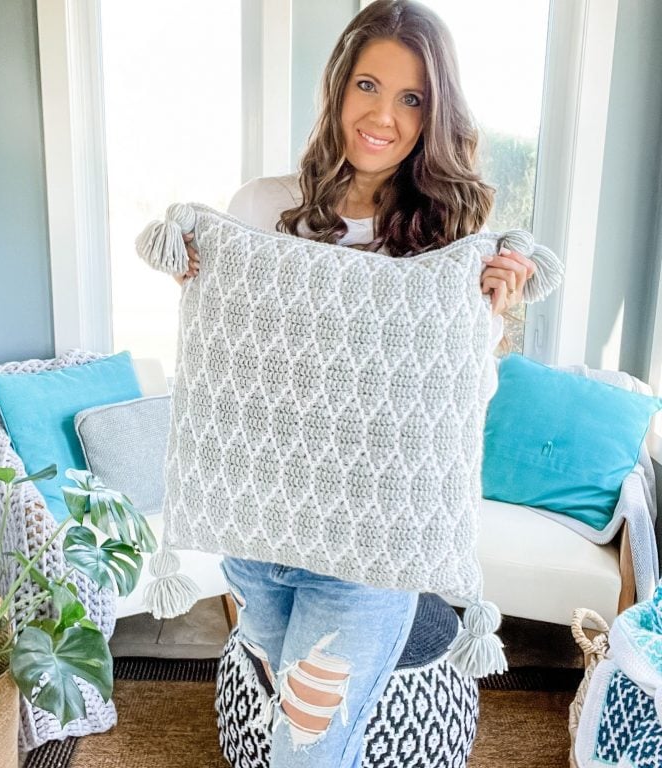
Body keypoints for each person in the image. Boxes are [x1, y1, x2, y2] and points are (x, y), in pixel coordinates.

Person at [174, 2, 534, 765]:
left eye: (412, 99)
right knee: (293, 722)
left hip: (368, 557)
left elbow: (453, 412)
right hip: (259, 534)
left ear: (434, 117)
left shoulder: (447, 239)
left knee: (305, 749)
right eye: (368, 85)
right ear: (339, 86)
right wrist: (204, 291)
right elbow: (234, 377)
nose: (383, 116)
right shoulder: (259, 210)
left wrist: (488, 321)